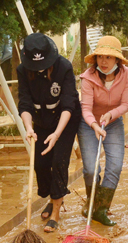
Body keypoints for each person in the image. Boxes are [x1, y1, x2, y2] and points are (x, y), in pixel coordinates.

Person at [17, 33, 81, 232]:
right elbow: (25, 102)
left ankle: (55, 212)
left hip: (65, 119)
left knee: (58, 161)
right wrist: (29, 128)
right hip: (41, 119)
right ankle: (53, 197)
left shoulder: (64, 67)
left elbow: (69, 103)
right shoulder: (22, 70)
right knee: (40, 163)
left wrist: (57, 134)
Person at [77, 36, 128, 226]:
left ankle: (100, 209)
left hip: (113, 122)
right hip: (88, 124)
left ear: (117, 59)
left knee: (115, 166)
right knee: (92, 169)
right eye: (100, 57)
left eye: (109, 57)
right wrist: (94, 125)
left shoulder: (127, 75)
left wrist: (111, 115)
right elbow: (85, 109)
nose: (104, 61)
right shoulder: (88, 78)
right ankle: (91, 203)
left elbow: (126, 104)